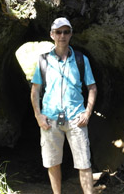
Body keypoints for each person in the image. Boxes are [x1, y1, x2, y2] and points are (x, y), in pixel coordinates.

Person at [30, 17, 98, 194]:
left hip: (77, 119)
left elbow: (92, 87)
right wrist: (38, 115)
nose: (62, 35)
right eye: (58, 32)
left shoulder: (81, 60)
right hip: (50, 120)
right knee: (53, 163)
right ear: (52, 35)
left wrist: (88, 112)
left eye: (66, 31)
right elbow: (35, 90)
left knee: (84, 163)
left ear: (71, 34)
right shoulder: (43, 61)